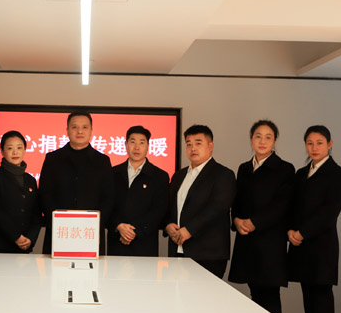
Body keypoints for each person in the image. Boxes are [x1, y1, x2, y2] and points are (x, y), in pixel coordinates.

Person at [287, 125, 341, 313]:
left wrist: (302, 233)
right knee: (309, 304)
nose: (314, 147)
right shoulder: (301, 174)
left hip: (322, 248)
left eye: (320, 143)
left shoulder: (338, 174)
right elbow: (292, 207)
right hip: (301, 246)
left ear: (329, 144)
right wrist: (290, 230)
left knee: (322, 306)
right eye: (310, 143)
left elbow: (329, 213)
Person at [228, 120, 294, 313]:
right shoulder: (244, 168)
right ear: (251, 140)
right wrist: (236, 220)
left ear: (274, 141)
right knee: (254, 294)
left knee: (270, 295)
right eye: (258, 136)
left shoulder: (284, 169)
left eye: (268, 137)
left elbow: (281, 205)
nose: (262, 141)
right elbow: (237, 201)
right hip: (247, 240)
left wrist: (254, 222)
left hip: (270, 243)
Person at [165, 124, 235, 278]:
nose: (193, 148)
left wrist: (189, 230)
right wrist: (168, 225)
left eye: (198, 143)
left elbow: (218, 207)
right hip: (178, 250)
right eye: (189, 144)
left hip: (208, 254)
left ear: (210, 146)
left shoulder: (223, 174)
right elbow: (171, 207)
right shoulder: (179, 176)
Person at [39, 111, 114, 255]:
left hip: (91, 232)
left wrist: (95, 223)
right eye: (74, 127)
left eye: (85, 127)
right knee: (56, 269)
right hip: (59, 231)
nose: (80, 131)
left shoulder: (102, 161)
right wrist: (58, 222)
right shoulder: (53, 159)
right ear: (67, 130)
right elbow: (45, 194)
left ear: (91, 130)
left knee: (92, 269)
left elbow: (108, 197)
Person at [107, 125, 169, 257]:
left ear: (148, 146)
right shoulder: (112, 173)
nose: (137, 147)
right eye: (132, 142)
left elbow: (158, 210)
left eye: (142, 142)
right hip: (116, 241)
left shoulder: (160, 176)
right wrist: (118, 225)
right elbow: (107, 204)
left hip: (145, 244)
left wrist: (134, 232)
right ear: (126, 145)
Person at [0, 130, 42, 253]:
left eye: (19, 148)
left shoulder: (30, 180)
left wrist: (30, 238)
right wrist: (16, 237)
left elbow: (36, 213)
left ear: (25, 150)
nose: (15, 152)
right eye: (10, 148)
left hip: (24, 245)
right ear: (2, 151)